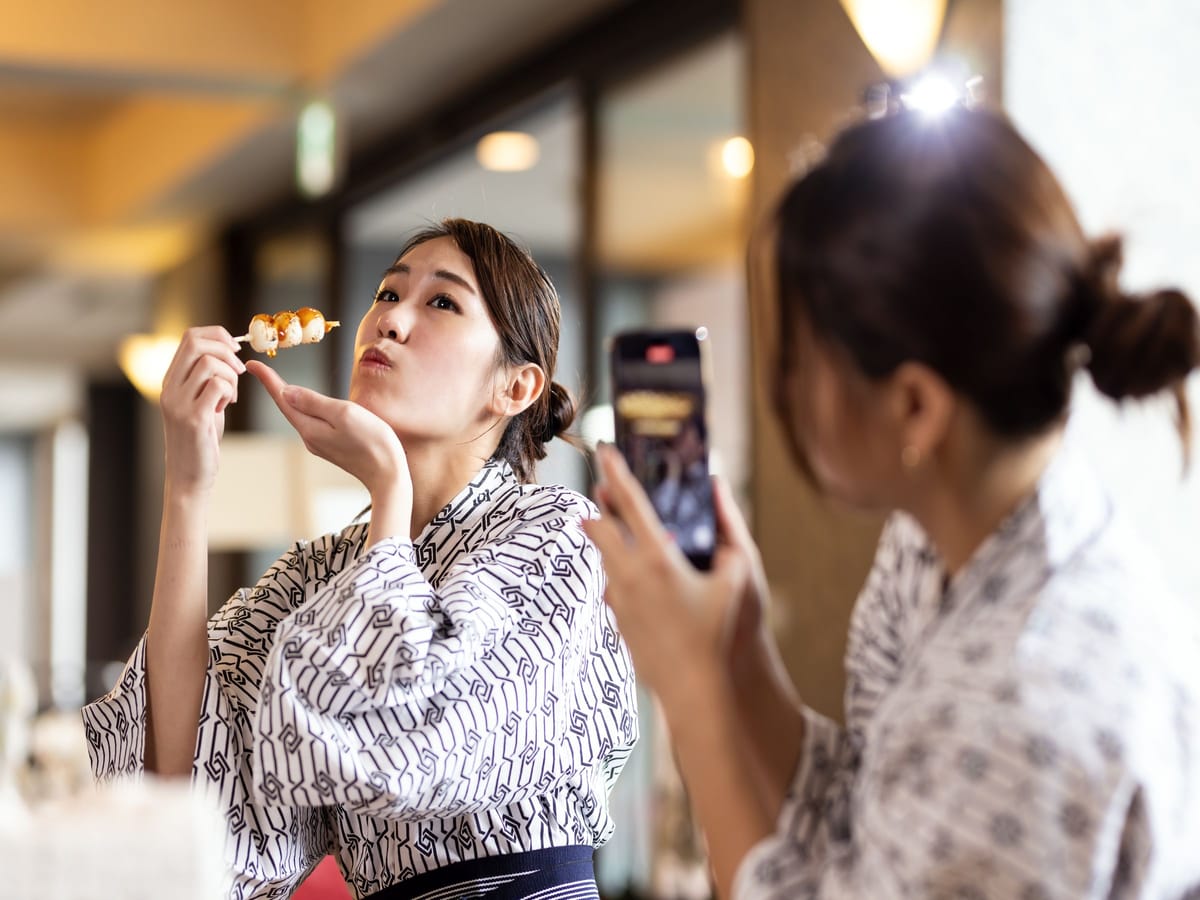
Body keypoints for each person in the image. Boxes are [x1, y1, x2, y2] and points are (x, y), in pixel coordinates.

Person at [585, 106, 1200, 899]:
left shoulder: (1022, 703)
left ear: (914, 406)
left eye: (801, 359)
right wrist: (738, 657)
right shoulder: (956, 549)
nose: (789, 391)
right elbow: (866, 822)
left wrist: (689, 689)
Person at [82, 219, 639, 899]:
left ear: (516, 388)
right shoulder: (319, 570)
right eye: (385, 292)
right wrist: (189, 485)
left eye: (441, 302)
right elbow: (187, 782)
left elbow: (410, 743)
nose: (390, 320)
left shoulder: (558, 533)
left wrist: (388, 487)